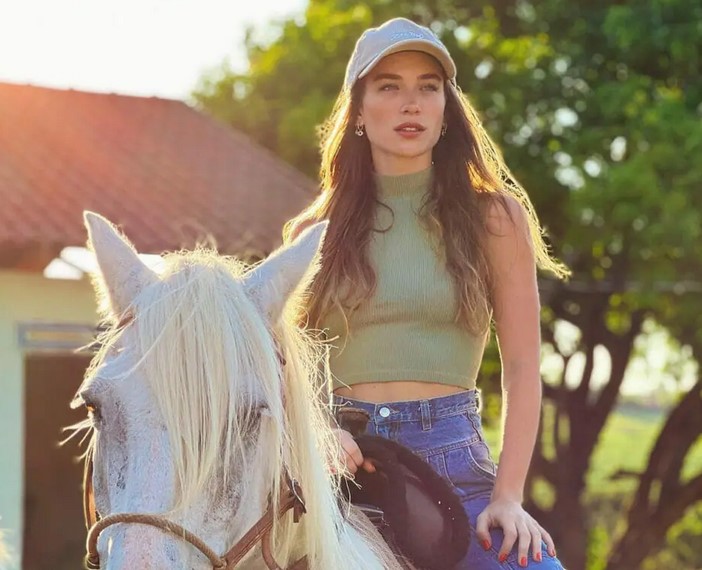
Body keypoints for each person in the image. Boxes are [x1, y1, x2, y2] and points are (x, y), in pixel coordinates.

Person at [284, 17, 568, 570]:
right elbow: (290, 367)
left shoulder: (495, 218)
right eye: (388, 86)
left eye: (428, 87)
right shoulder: (310, 233)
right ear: (359, 111)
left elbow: (523, 367)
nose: (410, 103)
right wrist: (318, 431)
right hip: (336, 472)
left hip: (454, 467)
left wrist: (508, 497)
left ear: (446, 110)